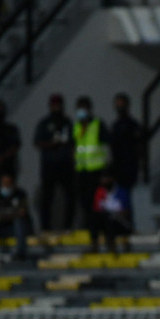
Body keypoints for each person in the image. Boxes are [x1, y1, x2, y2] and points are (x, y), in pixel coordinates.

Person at [32, 93, 76, 232]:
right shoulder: (44, 123)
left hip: (66, 164)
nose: (56, 107)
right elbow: (37, 142)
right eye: (54, 104)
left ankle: (68, 226)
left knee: (70, 195)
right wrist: (52, 143)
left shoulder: (67, 122)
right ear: (50, 106)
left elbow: (74, 142)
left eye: (58, 104)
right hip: (49, 165)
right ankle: (45, 227)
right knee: (47, 197)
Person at [73, 96, 111, 242]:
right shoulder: (76, 126)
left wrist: (106, 172)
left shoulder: (98, 125)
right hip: (82, 172)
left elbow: (107, 148)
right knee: (86, 205)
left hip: (97, 171)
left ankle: (106, 235)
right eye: (79, 108)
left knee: (100, 205)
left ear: (89, 109)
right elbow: (76, 148)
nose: (81, 111)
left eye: (83, 108)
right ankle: (93, 236)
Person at [90, 169, 133, 253]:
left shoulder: (121, 192)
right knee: (95, 218)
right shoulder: (100, 192)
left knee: (110, 218)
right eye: (102, 179)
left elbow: (126, 211)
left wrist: (114, 212)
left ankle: (114, 246)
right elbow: (97, 210)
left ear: (112, 179)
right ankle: (95, 245)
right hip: (106, 222)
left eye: (106, 178)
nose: (104, 181)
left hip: (119, 222)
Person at [110, 93, 142, 199]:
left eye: (121, 104)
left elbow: (139, 144)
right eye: (117, 104)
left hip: (129, 165)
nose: (119, 107)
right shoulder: (116, 125)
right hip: (118, 166)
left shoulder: (133, 125)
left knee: (129, 194)